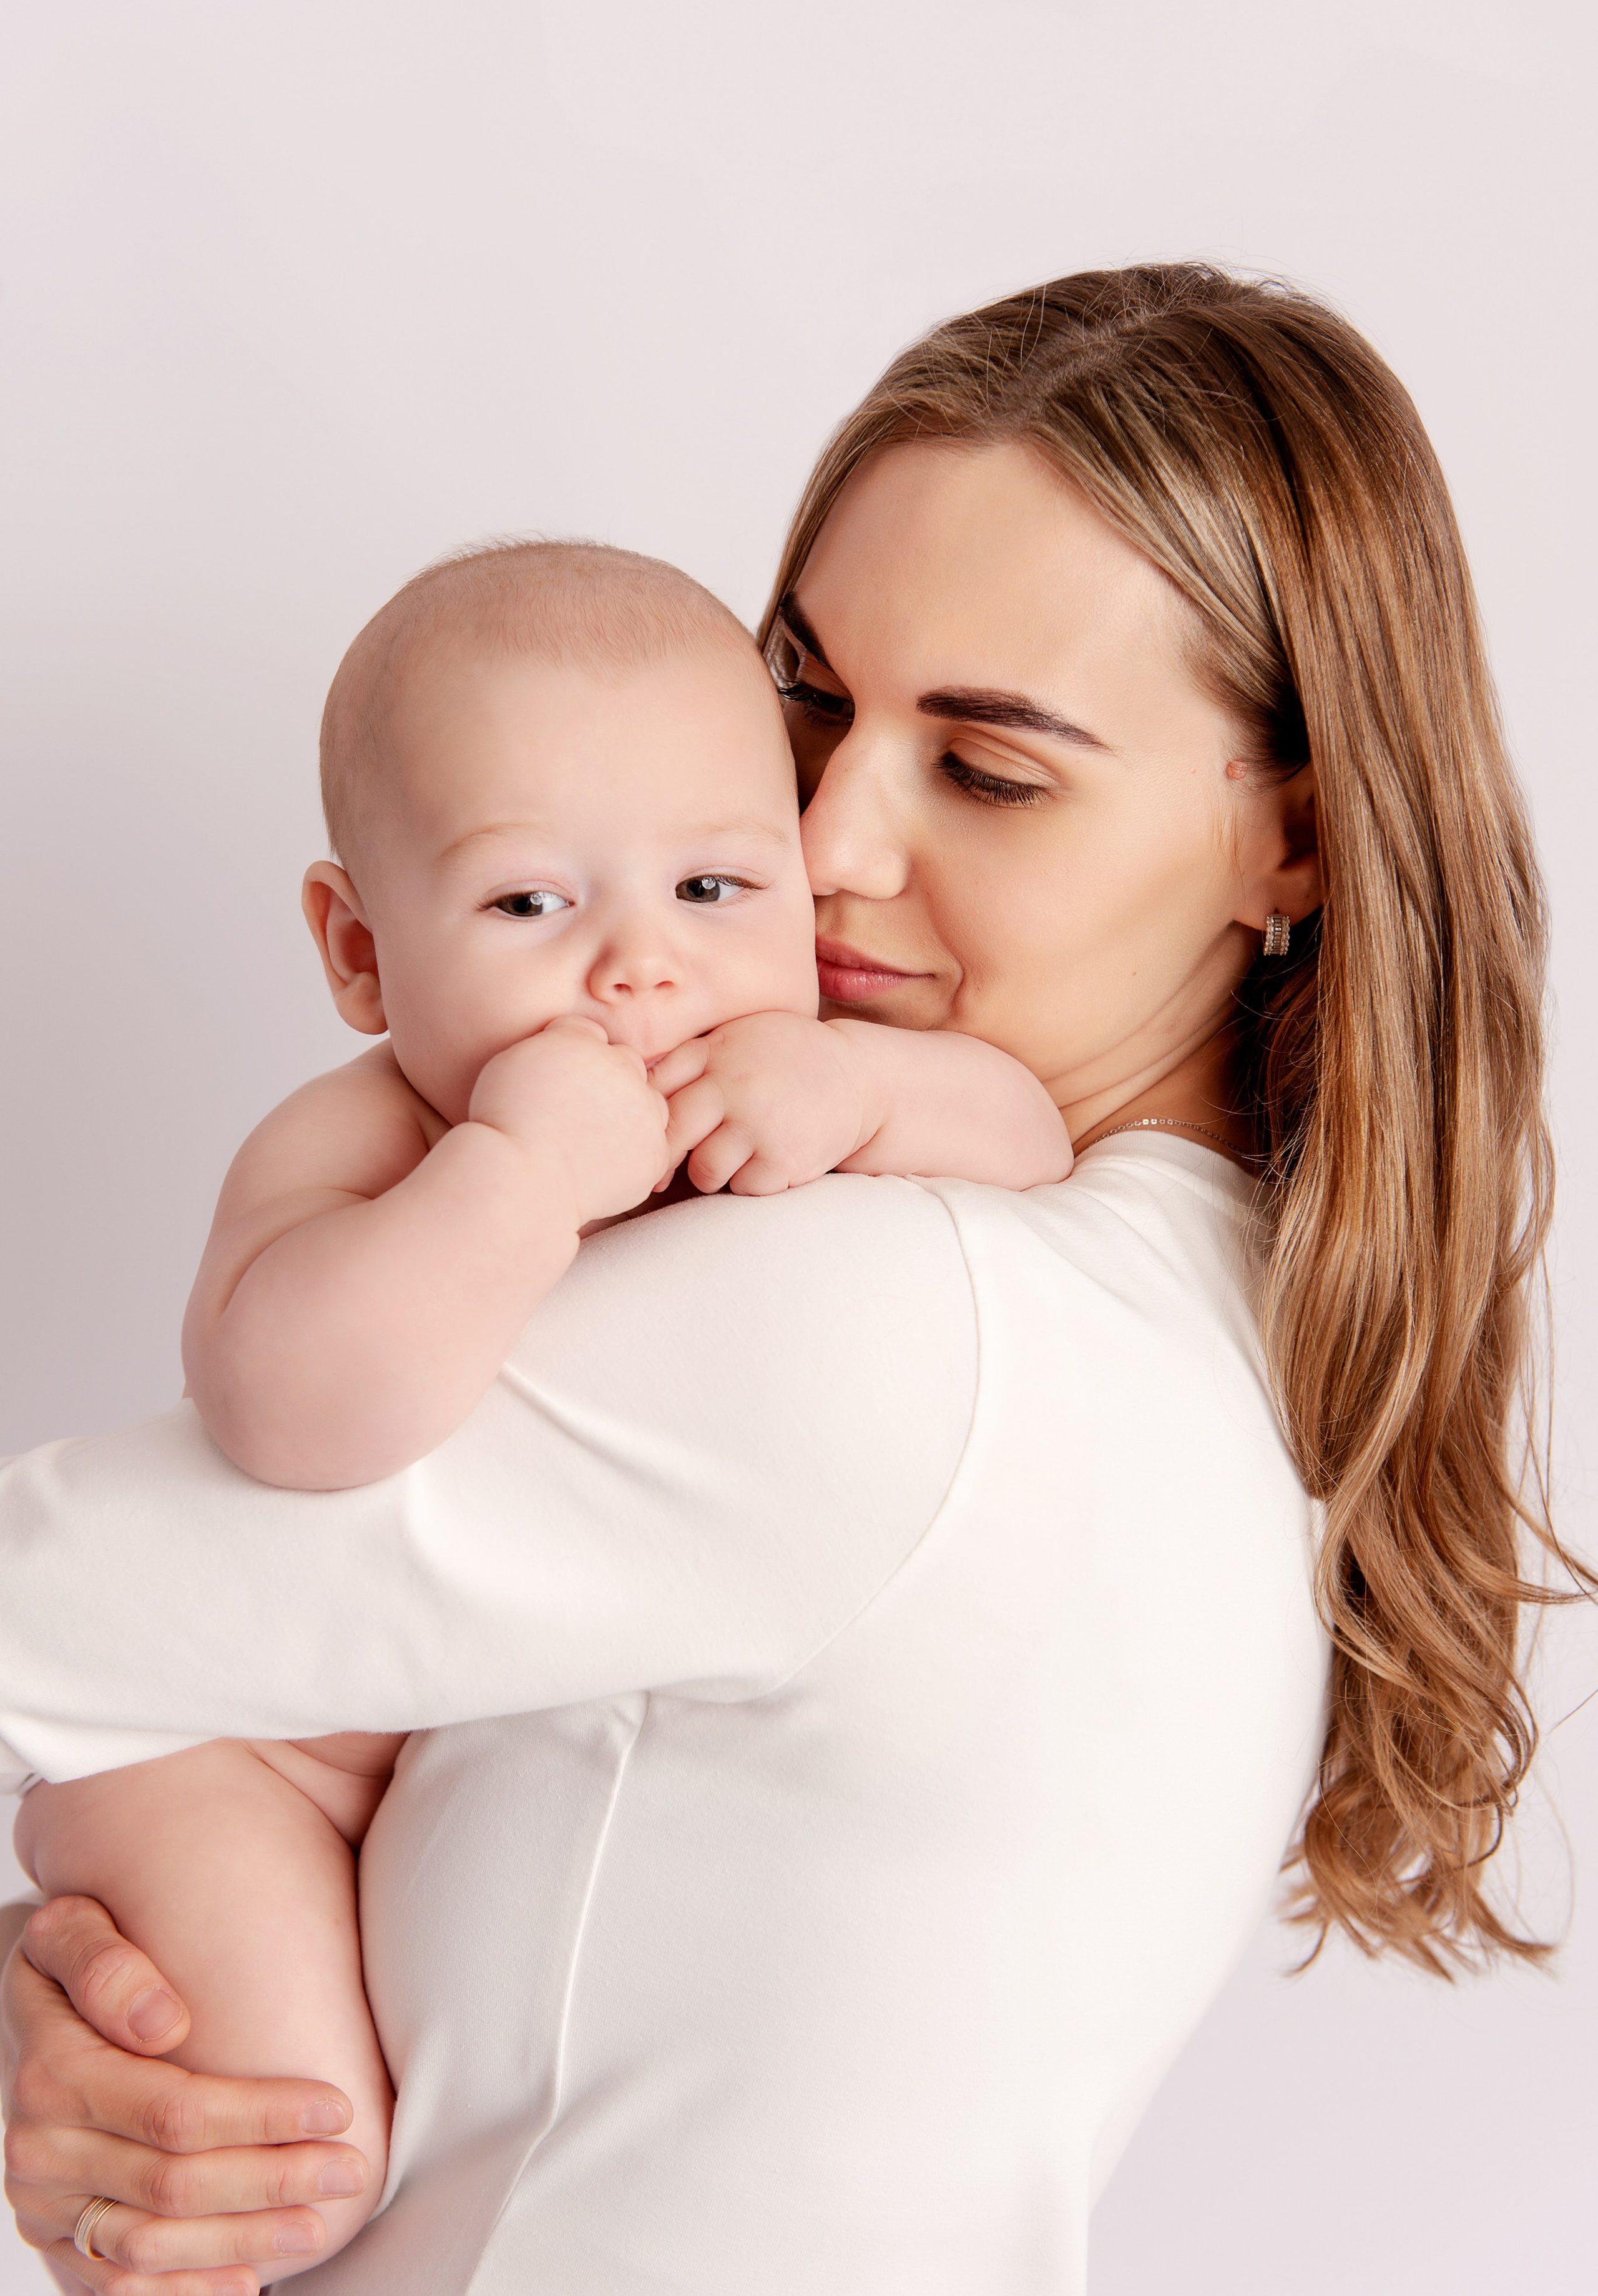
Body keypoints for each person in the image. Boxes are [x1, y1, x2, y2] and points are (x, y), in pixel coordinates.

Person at [0, 263, 1562, 2296]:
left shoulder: (916, 1323)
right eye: (806, 701)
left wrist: (81, 2013)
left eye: (989, 768)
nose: (815, 842)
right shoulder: (1212, 1337)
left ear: (1299, 840)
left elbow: (47, 1607)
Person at [11, 532, 1071, 2272]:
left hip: (469, 1729)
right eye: (530, 904)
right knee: (295, 2152)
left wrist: (864, 1083)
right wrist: (511, 1177)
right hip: (235, 1757)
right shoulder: (366, 1141)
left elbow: (1028, 1142)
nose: (637, 971)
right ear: (359, 952)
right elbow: (286, 1413)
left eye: (716, 892)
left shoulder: (790, 1086)